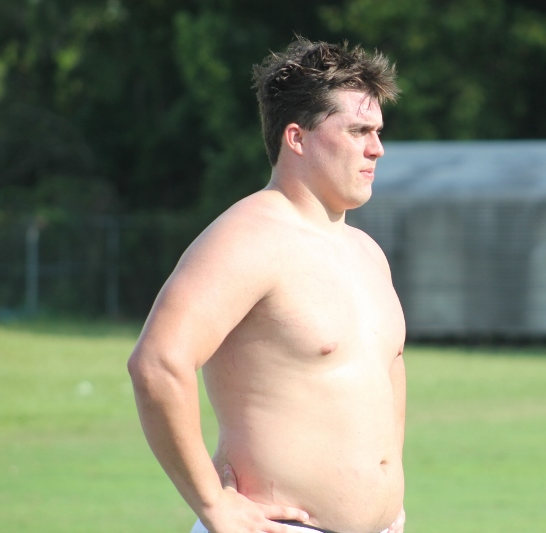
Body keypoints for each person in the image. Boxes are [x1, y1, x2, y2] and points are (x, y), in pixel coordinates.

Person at [127, 37, 406, 533]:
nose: (376, 148)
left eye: (378, 131)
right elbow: (158, 363)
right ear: (297, 138)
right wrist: (213, 504)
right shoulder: (248, 237)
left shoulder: (367, 252)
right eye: (358, 130)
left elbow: (388, 372)